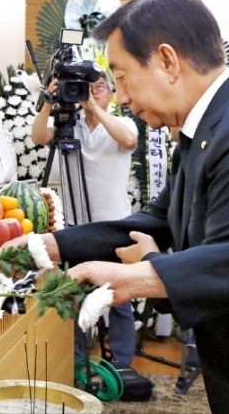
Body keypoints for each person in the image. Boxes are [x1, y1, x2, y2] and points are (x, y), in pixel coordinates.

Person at [6, 0, 229, 413]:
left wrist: (138, 277)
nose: (119, 96)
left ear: (167, 61)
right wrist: (52, 245)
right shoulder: (208, 128)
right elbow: (156, 221)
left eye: (120, 76)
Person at [31, 72, 139, 367]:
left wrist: (95, 108)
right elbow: (39, 137)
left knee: (119, 295)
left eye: (100, 87)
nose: (92, 93)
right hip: (78, 225)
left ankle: (122, 365)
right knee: (74, 293)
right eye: (86, 89)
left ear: (111, 94)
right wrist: (47, 104)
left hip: (117, 225)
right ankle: (76, 363)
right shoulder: (69, 126)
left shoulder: (122, 123)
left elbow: (129, 140)